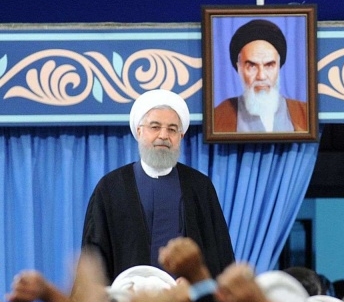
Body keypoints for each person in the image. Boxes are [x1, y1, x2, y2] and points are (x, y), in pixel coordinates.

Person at [82, 89, 235, 280]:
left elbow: (218, 254)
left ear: (181, 136)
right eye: (155, 127)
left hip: (186, 296)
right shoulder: (111, 188)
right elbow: (95, 257)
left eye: (172, 129)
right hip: (128, 297)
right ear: (139, 131)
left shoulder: (199, 187)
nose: (163, 135)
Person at [214, 19, 308, 133]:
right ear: (239, 68)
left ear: (279, 66)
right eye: (252, 66)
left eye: (269, 65)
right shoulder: (219, 116)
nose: (261, 76)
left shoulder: (305, 114)